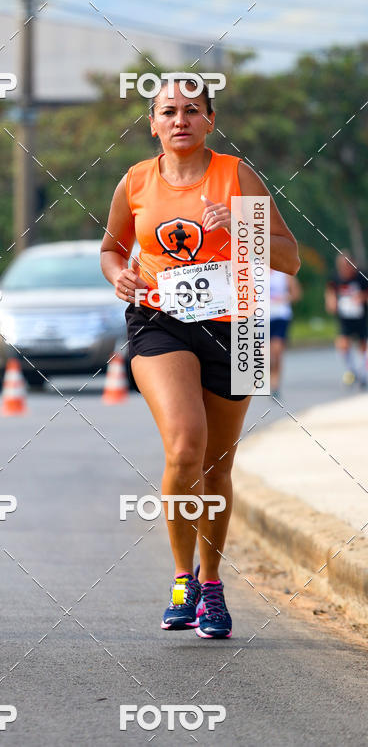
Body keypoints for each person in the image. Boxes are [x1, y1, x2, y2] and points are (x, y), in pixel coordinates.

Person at [100, 77, 299, 639]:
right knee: (185, 444)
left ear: (210, 120)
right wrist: (122, 278)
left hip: (237, 328)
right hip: (159, 323)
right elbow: (112, 250)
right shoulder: (135, 181)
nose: (181, 119)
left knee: (216, 466)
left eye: (193, 110)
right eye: (169, 111)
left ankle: (212, 584)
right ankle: (182, 577)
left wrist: (241, 223)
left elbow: (289, 259)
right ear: (153, 123)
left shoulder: (236, 175)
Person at [325, 253, 368, 387]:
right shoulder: (335, 277)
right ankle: (351, 371)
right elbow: (330, 291)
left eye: (347, 265)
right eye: (341, 266)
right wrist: (331, 302)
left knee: (363, 346)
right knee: (342, 344)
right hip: (345, 318)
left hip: (362, 317)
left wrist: (362, 297)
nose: (344, 269)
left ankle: (362, 375)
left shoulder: (362, 276)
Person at [269, 269, 302, 399]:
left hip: (280, 316)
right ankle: (270, 378)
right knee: (264, 356)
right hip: (261, 318)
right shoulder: (254, 270)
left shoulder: (283, 273)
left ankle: (275, 385)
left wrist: (282, 298)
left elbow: (296, 294)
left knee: (277, 352)